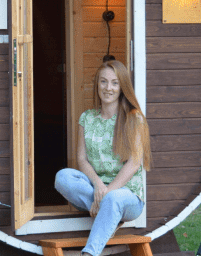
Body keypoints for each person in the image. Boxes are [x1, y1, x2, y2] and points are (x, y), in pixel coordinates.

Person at [55, 59, 153, 256]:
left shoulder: (134, 119)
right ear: (97, 84)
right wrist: (98, 185)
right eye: (103, 82)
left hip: (128, 196)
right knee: (63, 177)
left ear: (122, 87)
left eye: (115, 83)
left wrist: (107, 192)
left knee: (114, 199)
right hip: (97, 191)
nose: (108, 88)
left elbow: (134, 163)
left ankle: (89, 253)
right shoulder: (87, 118)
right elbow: (82, 159)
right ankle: (109, 214)